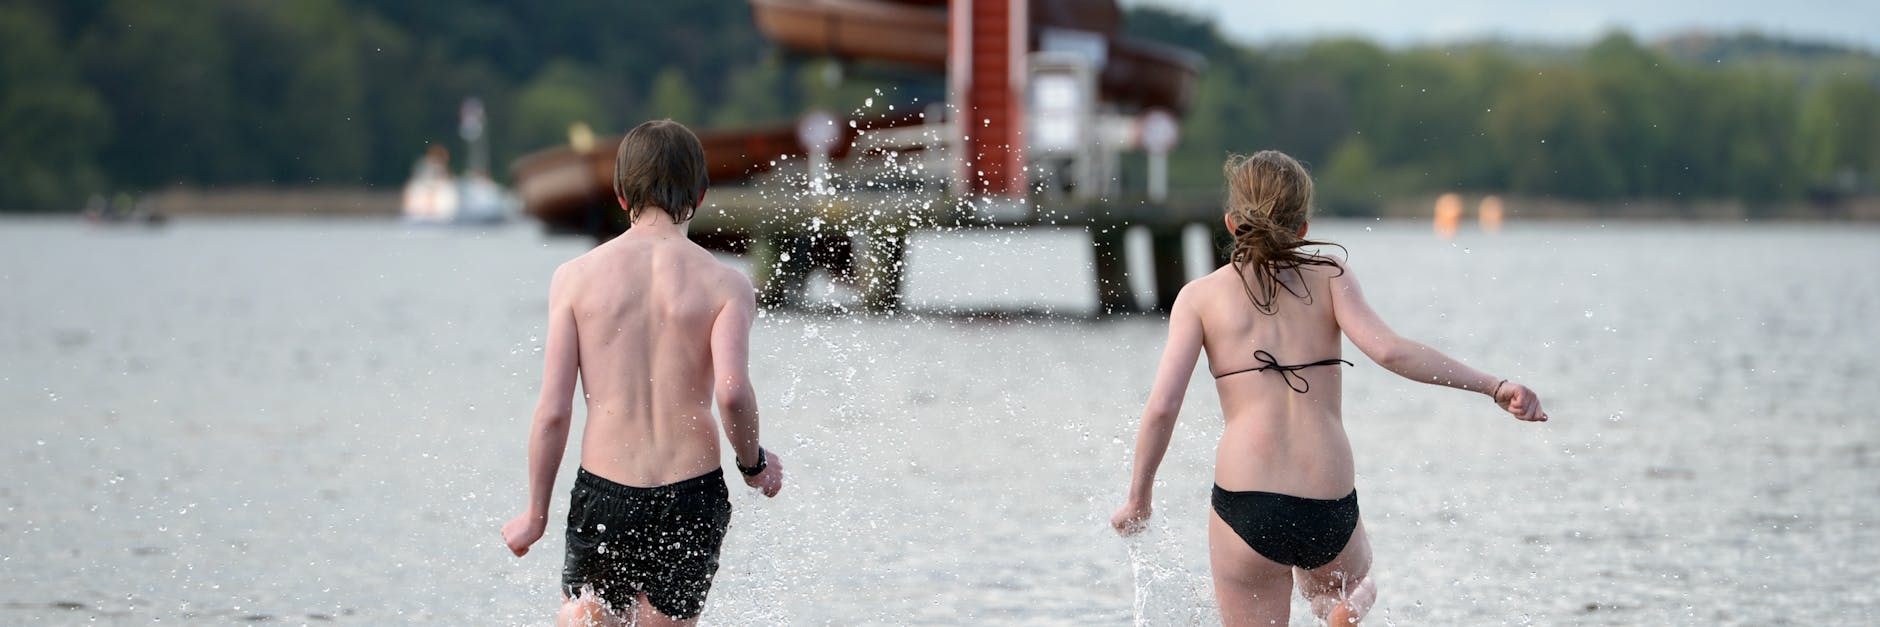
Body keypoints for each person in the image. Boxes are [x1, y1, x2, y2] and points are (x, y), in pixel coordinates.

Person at [1108, 151, 1547, 625]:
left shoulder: (1199, 297)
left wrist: (1140, 498)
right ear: (1301, 228)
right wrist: (1494, 386)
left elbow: (1162, 408)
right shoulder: (1330, 276)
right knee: (1354, 585)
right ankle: (1345, 607)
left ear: (1233, 222)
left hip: (1246, 505)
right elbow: (1392, 352)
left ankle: (1338, 607)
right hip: (1328, 503)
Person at [501, 120, 784, 626]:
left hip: (606, 491)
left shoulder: (574, 279)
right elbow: (733, 393)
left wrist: (535, 516)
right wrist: (753, 464)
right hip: (690, 494)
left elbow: (552, 412)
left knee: (586, 614)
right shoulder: (726, 285)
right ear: (700, 194)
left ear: (619, 192)